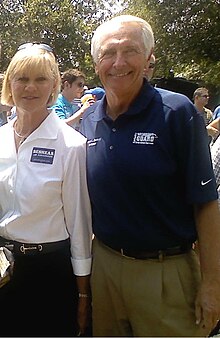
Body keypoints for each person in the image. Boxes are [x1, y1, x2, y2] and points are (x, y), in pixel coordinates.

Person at [80, 14, 220, 337]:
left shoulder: (177, 113)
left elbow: (207, 204)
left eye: (129, 51)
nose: (118, 63)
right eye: (108, 54)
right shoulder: (89, 121)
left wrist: (212, 284)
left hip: (165, 275)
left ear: (148, 59)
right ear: (96, 63)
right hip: (105, 270)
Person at [0, 42, 92, 337]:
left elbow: (79, 224)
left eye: (40, 79)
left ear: (54, 85)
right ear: (9, 83)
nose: (30, 87)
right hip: (3, 266)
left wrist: (82, 294)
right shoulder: (0, 139)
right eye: (22, 78)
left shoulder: (71, 146)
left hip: (50, 273)